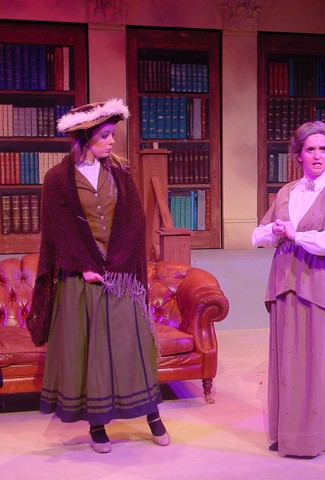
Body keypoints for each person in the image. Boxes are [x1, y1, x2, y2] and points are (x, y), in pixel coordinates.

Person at [28, 99, 169, 453]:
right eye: (104, 135)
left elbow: (135, 221)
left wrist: (117, 262)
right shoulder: (57, 179)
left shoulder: (120, 171)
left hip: (120, 277)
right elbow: (58, 232)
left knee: (132, 347)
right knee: (91, 352)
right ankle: (97, 425)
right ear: (85, 137)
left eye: (112, 135)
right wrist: (85, 265)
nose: (111, 142)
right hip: (82, 280)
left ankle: (153, 416)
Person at [252, 121, 325, 458]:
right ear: (298, 155)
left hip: (320, 285)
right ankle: (285, 433)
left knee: (318, 362)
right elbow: (258, 235)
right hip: (286, 283)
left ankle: (320, 434)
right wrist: (276, 231)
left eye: (323, 149)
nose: (317, 155)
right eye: (310, 149)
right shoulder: (286, 192)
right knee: (286, 360)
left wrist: (296, 235)